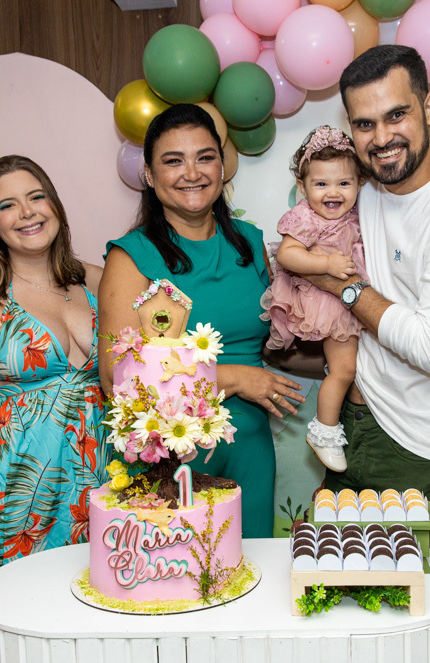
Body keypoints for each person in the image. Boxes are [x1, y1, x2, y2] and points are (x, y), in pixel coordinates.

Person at [303, 46, 430, 555]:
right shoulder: (361, 189)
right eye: (364, 124)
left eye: (397, 115)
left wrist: (343, 287)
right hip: (352, 430)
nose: (381, 138)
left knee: (413, 601)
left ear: (428, 108)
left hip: (422, 448)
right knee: (331, 593)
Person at [99, 103, 304, 539]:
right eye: (173, 161)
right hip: (168, 456)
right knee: (174, 574)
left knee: (252, 571)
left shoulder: (250, 242)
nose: (192, 173)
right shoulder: (131, 258)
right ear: (149, 175)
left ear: (222, 166)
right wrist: (235, 378)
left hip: (250, 449)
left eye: (205, 157)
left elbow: (273, 345)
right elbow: (116, 379)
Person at [0, 155, 106, 590]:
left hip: (99, 485)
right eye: (7, 205)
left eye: (36, 197)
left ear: (55, 206)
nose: (27, 212)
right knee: (18, 612)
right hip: (12, 495)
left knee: (98, 608)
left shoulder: (98, 282)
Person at [262, 125, 368, 473]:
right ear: (303, 187)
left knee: (357, 369)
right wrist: (326, 264)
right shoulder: (306, 217)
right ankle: (325, 431)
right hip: (328, 304)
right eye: (321, 184)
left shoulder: (358, 214)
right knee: (344, 369)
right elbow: (287, 255)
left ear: (359, 184)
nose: (333, 192)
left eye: (344, 183)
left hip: (357, 302)